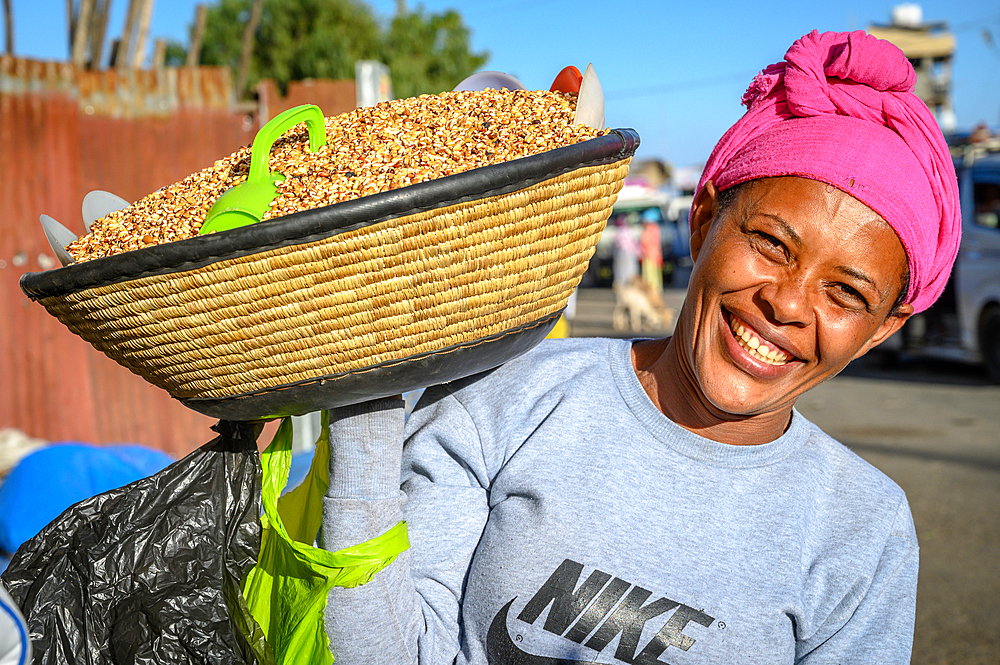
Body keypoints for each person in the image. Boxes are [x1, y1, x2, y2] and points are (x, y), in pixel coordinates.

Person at [319, 30, 961, 664]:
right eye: (770, 243)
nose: (788, 305)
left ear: (882, 327)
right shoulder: (505, 397)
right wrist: (362, 385)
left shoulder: (862, 529)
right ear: (707, 220)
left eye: (845, 293)